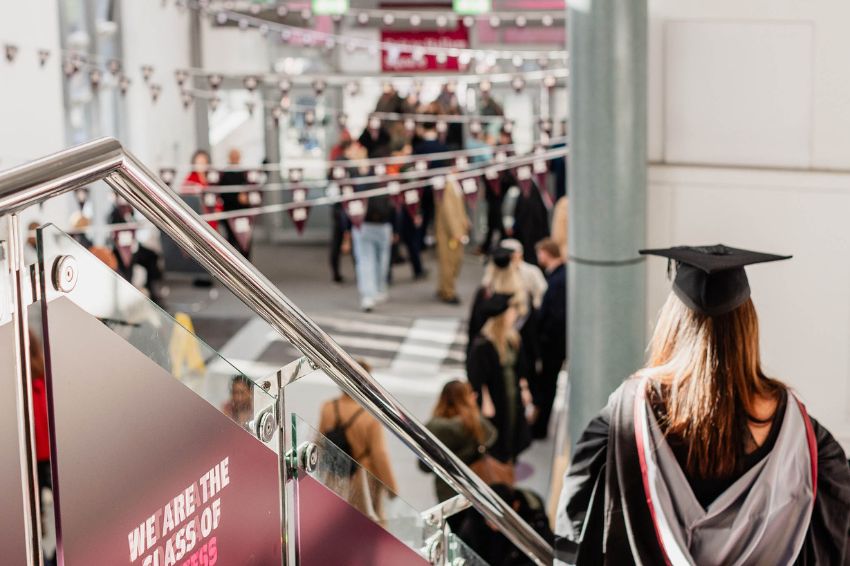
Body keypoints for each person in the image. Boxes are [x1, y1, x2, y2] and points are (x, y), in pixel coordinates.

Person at [556, 245, 850, 565]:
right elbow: (836, 531)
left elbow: (575, 529)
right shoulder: (803, 436)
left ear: (673, 324)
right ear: (748, 328)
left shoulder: (628, 414)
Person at [319, 359, 398, 520]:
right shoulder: (370, 415)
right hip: (363, 479)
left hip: (335, 475)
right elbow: (379, 455)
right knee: (368, 524)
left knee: (334, 521)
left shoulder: (328, 407)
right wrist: (392, 488)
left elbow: (319, 440)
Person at [467, 293, 532, 464]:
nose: (515, 314)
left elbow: (521, 367)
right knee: (498, 433)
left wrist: (524, 389)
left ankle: (510, 459)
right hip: (496, 396)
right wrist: (486, 400)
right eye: (511, 312)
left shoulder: (513, 339)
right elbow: (476, 378)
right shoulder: (483, 344)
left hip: (512, 392)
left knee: (513, 428)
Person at [423, 380, 497, 503]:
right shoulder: (475, 423)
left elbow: (424, 467)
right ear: (467, 398)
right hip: (475, 483)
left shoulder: (433, 427)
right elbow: (492, 436)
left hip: (447, 489)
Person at [347, 142, 395, 312]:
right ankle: (372, 293)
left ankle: (375, 291)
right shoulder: (351, 173)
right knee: (371, 260)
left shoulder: (359, 174)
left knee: (375, 261)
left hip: (374, 224)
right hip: (369, 224)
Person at [531, 239, 566, 439]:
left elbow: (554, 315)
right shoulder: (560, 275)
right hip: (554, 342)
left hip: (552, 343)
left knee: (547, 384)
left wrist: (542, 336)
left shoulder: (556, 280)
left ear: (545, 253)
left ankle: (540, 426)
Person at [434, 177, 469, 304]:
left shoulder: (453, 184)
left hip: (454, 231)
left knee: (450, 262)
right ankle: (448, 292)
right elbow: (448, 211)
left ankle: (444, 288)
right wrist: (456, 232)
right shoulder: (448, 186)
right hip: (450, 234)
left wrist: (465, 222)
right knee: (450, 263)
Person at [217, 148, 253, 259]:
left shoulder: (245, 174)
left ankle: (247, 268)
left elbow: (254, 190)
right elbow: (222, 194)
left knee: (245, 242)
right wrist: (238, 198)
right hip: (230, 214)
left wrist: (247, 198)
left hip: (243, 214)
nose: (235, 157)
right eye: (233, 155)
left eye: (237, 155)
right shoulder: (224, 174)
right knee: (232, 242)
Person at [181, 149, 222, 232]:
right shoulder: (190, 179)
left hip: (213, 218)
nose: (201, 165)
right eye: (199, 162)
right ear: (194, 163)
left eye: (203, 162)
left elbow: (218, 198)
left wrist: (218, 207)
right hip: (199, 220)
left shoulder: (211, 179)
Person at [501, 238, 547, 309]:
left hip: (528, 312)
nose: (510, 257)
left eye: (512, 254)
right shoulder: (499, 272)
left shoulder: (532, 271)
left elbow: (542, 292)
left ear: (520, 254)